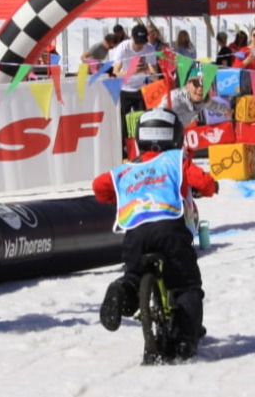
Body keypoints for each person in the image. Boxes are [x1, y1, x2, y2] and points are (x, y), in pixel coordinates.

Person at [93, 108, 218, 361]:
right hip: (169, 226)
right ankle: (185, 340)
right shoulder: (176, 161)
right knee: (187, 285)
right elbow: (203, 182)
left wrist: (119, 195)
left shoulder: (129, 168)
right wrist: (212, 186)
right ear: (175, 137)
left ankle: (124, 289)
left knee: (134, 274)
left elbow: (100, 187)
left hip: (135, 231)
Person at [110, 23, 158, 144]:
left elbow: (155, 77)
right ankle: (124, 148)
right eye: (137, 43)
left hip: (140, 88)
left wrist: (147, 69)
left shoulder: (149, 48)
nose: (140, 46)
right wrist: (132, 71)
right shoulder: (123, 48)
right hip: (124, 89)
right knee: (122, 123)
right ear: (131, 38)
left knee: (144, 120)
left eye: (142, 43)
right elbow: (115, 73)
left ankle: (143, 145)